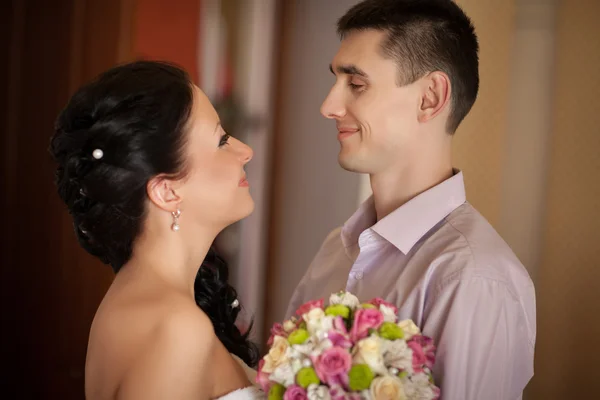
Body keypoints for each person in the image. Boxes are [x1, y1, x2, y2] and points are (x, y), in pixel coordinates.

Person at [286, 1, 536, 399]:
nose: (328, 107)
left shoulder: (472, 278)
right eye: (336, 81)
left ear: (430, 98)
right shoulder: (336, 248)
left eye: (356, 84)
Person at [50, 61, 264, 399]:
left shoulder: (136, 300)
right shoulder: (177, 328)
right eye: (222, 139)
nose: (246, 151)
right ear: (167, 191)